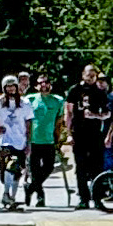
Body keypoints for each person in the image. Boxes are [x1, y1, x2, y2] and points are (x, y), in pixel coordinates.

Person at [0, 75, 33, 211]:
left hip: (20, 141)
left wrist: (29, 142)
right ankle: (6, 194)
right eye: (8, 86)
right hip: (6, 141)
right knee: (10, 165)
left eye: (13, 86)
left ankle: (12, 197)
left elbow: (29, 122)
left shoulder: (25, 103)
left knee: (18, 171)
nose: (11, 89)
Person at [65, 64, 110, 210]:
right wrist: (69, 134)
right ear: (83, 74)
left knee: (97, 166)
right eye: (88, 74)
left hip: (95, 133)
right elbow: (69, 113)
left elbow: (107, 113)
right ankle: (83, 198)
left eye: (93, 75)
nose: (90, 77)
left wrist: (96, 115)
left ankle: (97, 197)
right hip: (79, 133)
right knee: (81, 167)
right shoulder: (74, 90)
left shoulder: (100, 92)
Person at [23, 73, 63, 207]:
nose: (43, 85)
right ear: (36, 85)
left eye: (46, 82)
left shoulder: (58, 100)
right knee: (34, 170)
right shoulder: (30, 99)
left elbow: (59, 120)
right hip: (33, 141)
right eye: (40, 83)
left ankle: (30, 187)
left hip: (49, 140)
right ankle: (41, 197)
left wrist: (59, 137)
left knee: (48, 167)